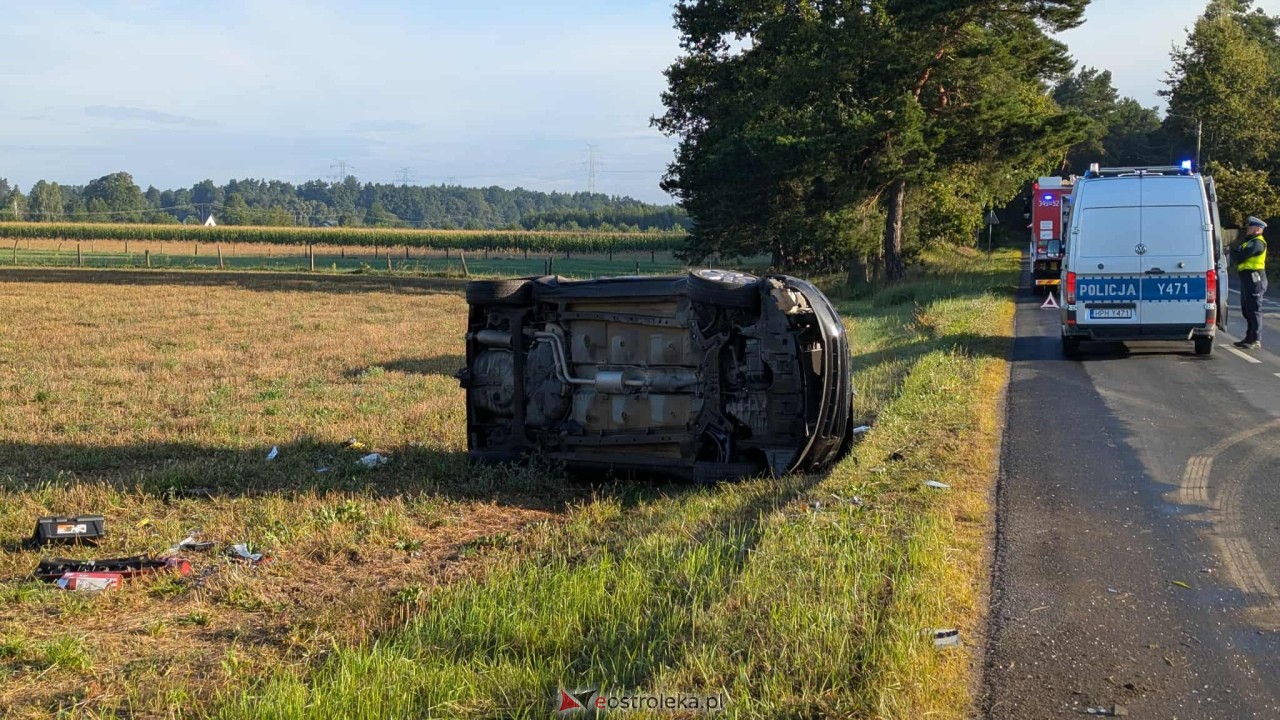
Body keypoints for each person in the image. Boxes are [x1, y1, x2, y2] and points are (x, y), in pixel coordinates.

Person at [1232, 216, 1268, 350]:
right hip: (1247, 278)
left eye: (1251, 227)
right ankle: (1249, 337)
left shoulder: (1257, 243)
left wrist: (1238, 253)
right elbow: (1237, 253)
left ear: (1258, 229)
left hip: (1255, 279)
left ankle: (1256, 339)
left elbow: (1240, 256)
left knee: (1254, 310)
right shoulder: (1249, 241)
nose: (1248, 228)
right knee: (1247, 309)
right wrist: (1237, 252)